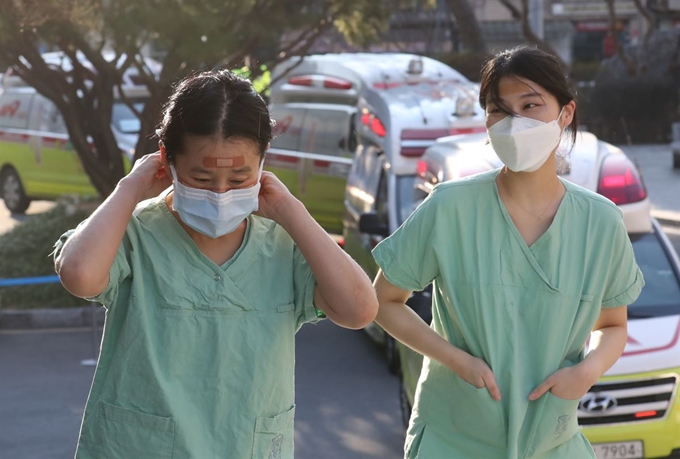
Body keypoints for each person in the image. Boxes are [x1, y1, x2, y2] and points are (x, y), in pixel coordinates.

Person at [53, 69, 378, 459]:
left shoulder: (284, 242)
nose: (221, 193)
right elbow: (79, 275)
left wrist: (291, 210)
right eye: (202, 178)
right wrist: (131, 186)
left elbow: (360, 310)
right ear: (166, 160)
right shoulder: (135, 232)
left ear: (263, 163)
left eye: (240, 178)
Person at [372, 45, 644, 459]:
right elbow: (383, 302)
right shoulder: (448, 208)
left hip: (553, 439)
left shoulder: (601, 223)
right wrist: (457, 360)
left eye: (530, 105)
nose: (513, 122)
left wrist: (585, 373)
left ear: (565, 114)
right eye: (498, 109)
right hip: (454, 435)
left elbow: (613, 325)